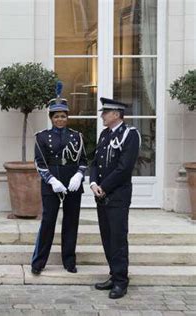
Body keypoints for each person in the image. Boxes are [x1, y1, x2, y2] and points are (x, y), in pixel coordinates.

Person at [31, 82, 87, 275]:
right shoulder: (42, 137)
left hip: (72, 185)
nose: (60, 120)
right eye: (56, 116)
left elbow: (84, 160)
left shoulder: (77, 136)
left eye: (63, 116)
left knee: (71, 222)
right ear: (51, 118)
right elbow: (40, 163)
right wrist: (52, 181)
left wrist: (79, 175)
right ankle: (38, 262)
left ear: (67, 117)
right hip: (51, 186)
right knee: (48, 222)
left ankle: (69, 261)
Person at [90, 97, 140, 299]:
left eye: (105, 112)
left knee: (118, 238)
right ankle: (113, 273)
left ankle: (121, 281)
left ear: (117, 114)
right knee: (107, 237)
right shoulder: (104, 134)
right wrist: (93, 183)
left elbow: (124, 168)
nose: (102, 115)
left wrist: (104, 186)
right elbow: (95, 161)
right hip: (101, 195)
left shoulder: (130, 135)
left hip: (117, 195)